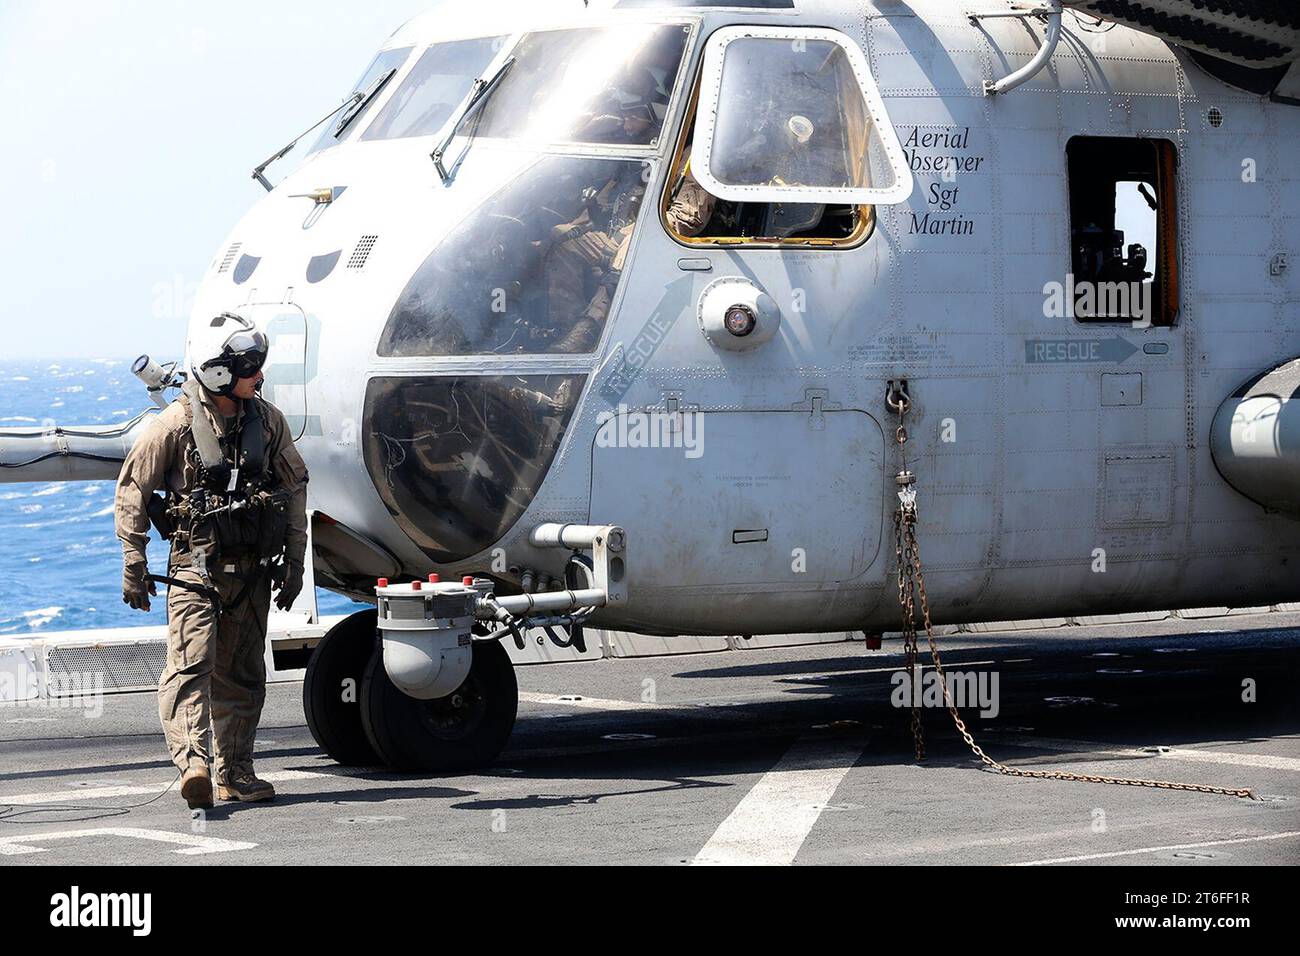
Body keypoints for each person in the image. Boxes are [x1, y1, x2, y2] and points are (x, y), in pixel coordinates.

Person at [114, 313, 309, 809]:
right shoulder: (175, 425)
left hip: (252, 573)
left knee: (243, 677)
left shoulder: (267, 422)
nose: (258, 376)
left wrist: (294, 563)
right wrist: (133, 562)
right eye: (248, 367)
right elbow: (134, 489)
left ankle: (235, 774)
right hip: (195, 572)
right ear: (218, 370)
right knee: (190, 669)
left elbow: (292, 491)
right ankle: (195, 765)